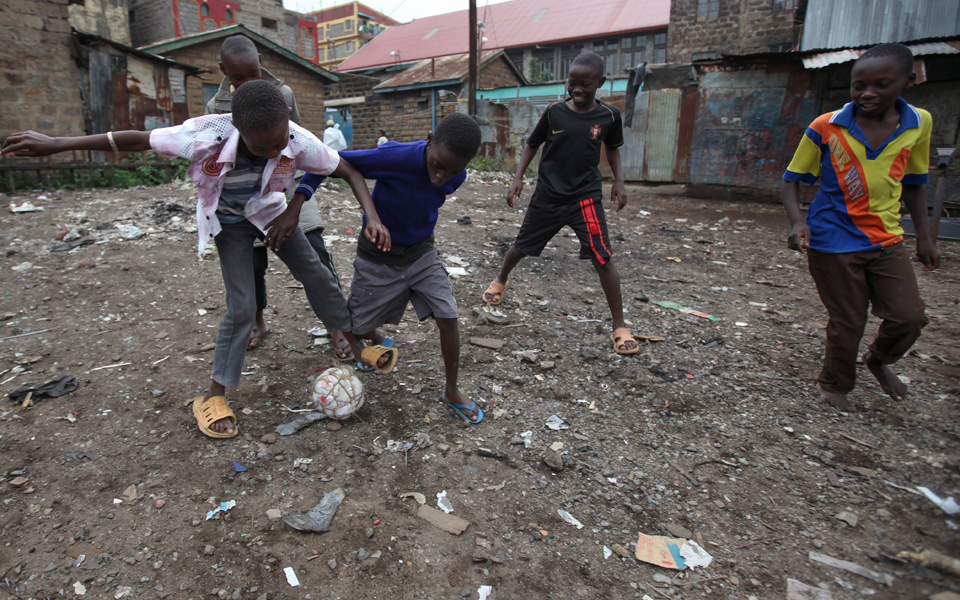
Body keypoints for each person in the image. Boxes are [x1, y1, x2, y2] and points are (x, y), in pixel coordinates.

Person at [1, 80, 396, 438]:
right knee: (241, 306)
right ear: (239, 130)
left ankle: (357, 340)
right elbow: (137, 137)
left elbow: (348, 171)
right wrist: (58, 143)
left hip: (271, 211)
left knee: (318, 274)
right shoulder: (205, 135)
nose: (276, 152)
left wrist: (370, 217)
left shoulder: (295, 137)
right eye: (263, 148)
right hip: (228, 220)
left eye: (280, 144)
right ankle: (213, 395)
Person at [781, 43, 939, 412]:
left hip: (886, 238)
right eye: (858, 86)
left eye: (881, 84)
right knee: (848, 319)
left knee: (910, 316)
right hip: (832, 237)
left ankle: (879, 359)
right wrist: (797, 221)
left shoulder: (919, 123)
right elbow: (791, 179)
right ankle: (834, 382)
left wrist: (925, 237)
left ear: (907, 81)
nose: (867, 93)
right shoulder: (827, 126)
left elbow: (915, 183)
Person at [298, 112, 484, 423]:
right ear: (428, 141)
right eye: (437, 165)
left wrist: (444, 177)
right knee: (353, 327)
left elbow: (429, 194)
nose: (441, 176)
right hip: (377, 257)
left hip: (422, 253)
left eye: (453, 171)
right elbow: (327, 160)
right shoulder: (396, 157)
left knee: (448, 316)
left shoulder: (457, 175)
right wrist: (301, 198)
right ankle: (376, 334)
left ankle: (452, 390)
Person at [205, 34, 352, 359]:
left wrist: (296, 204)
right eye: (237, 77)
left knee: (314, 253)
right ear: (224, 71)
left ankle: (337, 326)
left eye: (252, 74)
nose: (245, 83)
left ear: (261, 65)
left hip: (290, 189)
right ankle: (258, 321)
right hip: (244, 202)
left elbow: (298, 147)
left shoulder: (282, 94)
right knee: (252, 265)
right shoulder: (216, 108)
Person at [482, 52, 637, 356]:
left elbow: (613, 148)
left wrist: (619, 181)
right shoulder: (554, 112)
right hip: (548, 195)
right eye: (572, 84)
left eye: (585, 85)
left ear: (600, 84)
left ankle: (619, 325)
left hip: (586, 199)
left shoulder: (609, 116)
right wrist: (518, 178)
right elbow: (532, 144)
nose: (577, 90)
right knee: (521, 246)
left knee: (603, 257)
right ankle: (500, 279)